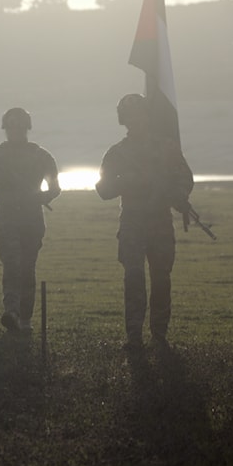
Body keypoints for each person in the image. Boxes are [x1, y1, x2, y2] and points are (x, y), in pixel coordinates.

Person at [95, 93, 193, 351]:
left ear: (147, 116)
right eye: (129, 117)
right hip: (132, 223)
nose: (135, 121)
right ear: (123, 120)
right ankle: (134, 336)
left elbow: (184, 178)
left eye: (139, 115)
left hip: (160, 221)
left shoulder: (167, 147)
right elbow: (103, 190)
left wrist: (179, 195)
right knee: (134, 276)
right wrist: (126, 181)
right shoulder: (117, 153)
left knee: (161, 278)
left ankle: (159, 334)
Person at [0, 107, 61, 334]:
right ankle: (11, 311)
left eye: (19, 127)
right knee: (12, 264)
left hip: (31, 218)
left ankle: (24, 319)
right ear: (5, 129)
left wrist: (42, 196)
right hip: (7, 218)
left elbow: (55, 187)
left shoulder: (40, 155)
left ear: (26, 129)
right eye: (11, 128)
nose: (14, 132)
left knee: (28, 269)